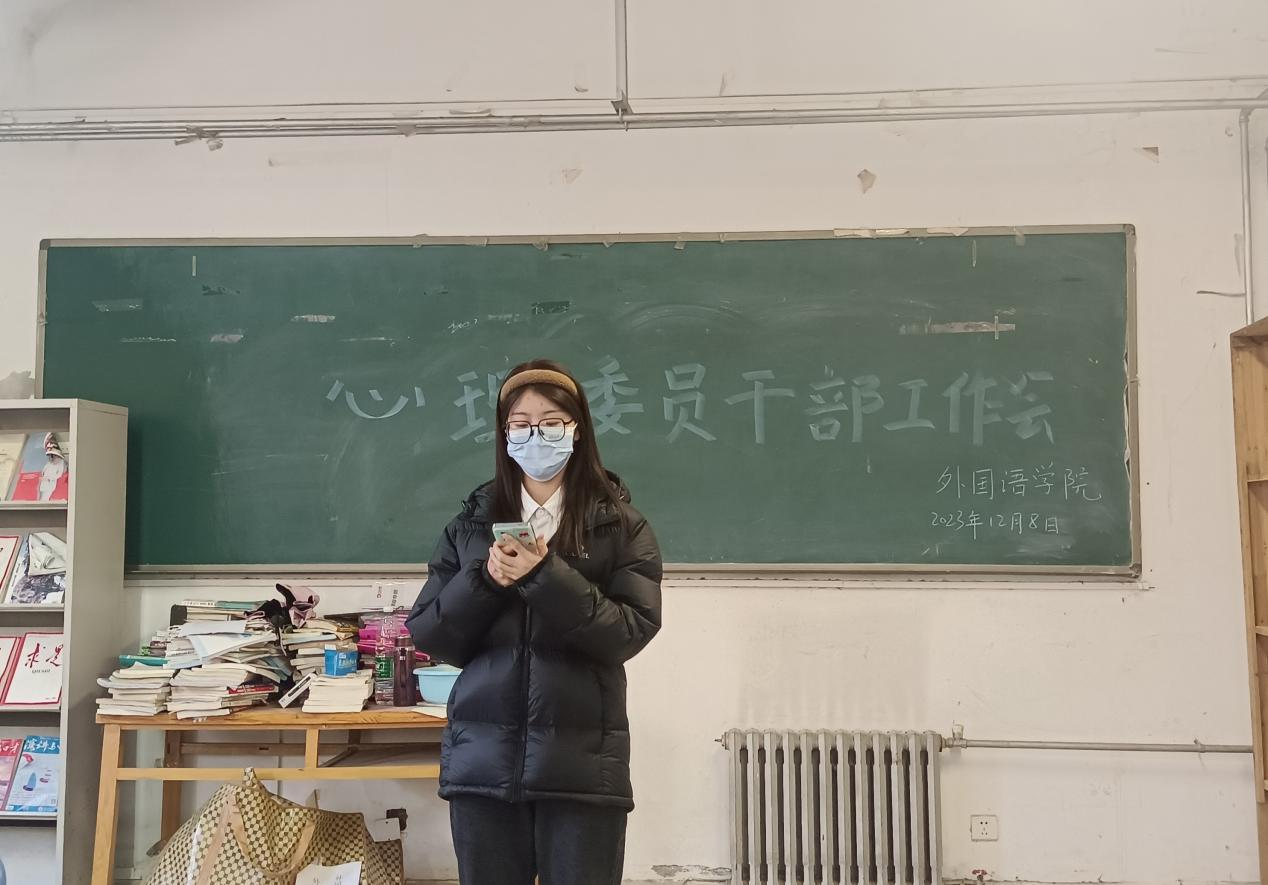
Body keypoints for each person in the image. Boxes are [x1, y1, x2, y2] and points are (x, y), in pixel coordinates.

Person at [407, 359, 663, 885]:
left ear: (577, 429)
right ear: (504, 436)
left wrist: (545, 576)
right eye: (520, 425)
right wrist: (485, 581)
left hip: (582, 766)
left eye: (550, 423)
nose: (534, 436)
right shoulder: (469, 526)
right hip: (483, 763)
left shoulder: (620, 525)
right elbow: (432, 634)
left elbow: (628, 632)